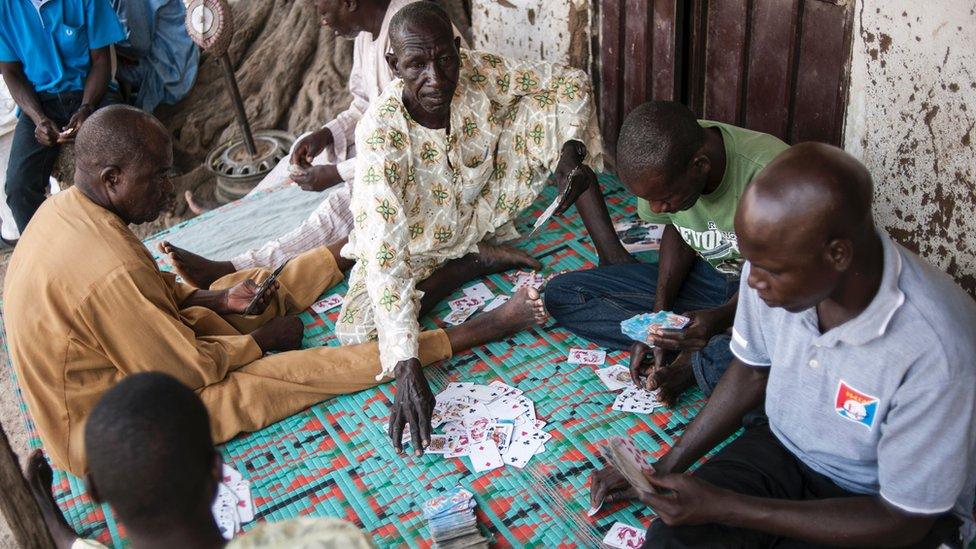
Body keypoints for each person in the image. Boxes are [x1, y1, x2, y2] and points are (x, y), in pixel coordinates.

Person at [2, 105, 547, 476]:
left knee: (245, 288)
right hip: (111, 433)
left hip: (133, 359)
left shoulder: (69, 207)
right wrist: (261, 345)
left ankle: (367, 248)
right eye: (158, 178)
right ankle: (487, 325)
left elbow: (150, 297)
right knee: (278, 380)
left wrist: (217, 300)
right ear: (112, 178)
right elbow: (189, 372)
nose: (169, 192)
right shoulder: (107, 267)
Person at [589, 143, 976, 548]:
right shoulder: (772, 267)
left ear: (837, 254)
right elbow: (751, 370)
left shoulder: (936, 348)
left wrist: (728, 507)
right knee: (674, 539)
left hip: (875, 503)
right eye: (752, 263)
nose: (752, 284)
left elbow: (904, 520)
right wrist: (661, 467)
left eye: (770, 270)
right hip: (782, 449)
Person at [332, 2, 615, 455]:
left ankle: (612, 254)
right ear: (393, 65)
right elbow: (384, 254)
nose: (436, 78)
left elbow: (570, 82)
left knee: (552, 111)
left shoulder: (479, 72)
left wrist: (570, 152)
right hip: (419, 244)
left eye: (444, 59)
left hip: (481, 208)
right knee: (362, 330)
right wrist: (408, 365)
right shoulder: (380, 136)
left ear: (458, 50)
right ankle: (470, 264)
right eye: (416, 65)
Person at [169, 0, 467, 288]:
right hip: (390, 149)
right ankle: (240, 213)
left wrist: (338, 174)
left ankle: (239, 268)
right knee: (307, 149)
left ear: (349, 2)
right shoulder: (369, 35)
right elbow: (365, 106)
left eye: (322, 10)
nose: (321, 20)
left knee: (345, 204)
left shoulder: (409, 31)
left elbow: (417, 141)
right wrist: (326, 134)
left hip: (430, 162)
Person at [545, 101, 788, 406]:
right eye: (649, 200)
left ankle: (698, 357)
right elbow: (678, 229)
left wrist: (721, 317)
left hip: (770, 295)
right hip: (710, 280)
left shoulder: (771, 174)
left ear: (700, 165)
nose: (655, 208)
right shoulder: (659, 162)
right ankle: (695, 346)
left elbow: (789, 284)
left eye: (665, 198)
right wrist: (654, 321)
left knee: (766, 356)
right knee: (564, 294)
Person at [25, 372, 377, 548]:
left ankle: (55, 528)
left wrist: (59, 533)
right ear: (217, 471)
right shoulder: (329, 539)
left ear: (95, 491)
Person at [0, 0, 126, 235]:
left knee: (116, 158)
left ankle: (118, 238)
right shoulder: (5, 7)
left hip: (91, 92)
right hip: (39, 102)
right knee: (19, 187)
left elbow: (101, 61)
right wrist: (38, 119)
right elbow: (10, 71)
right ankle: (48, 255)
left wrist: (86, 108)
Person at [109, 0, 200, 113]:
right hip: (179, 49)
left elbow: (140, 46)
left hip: (172, 67)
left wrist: (109, 44)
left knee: (103, 62)